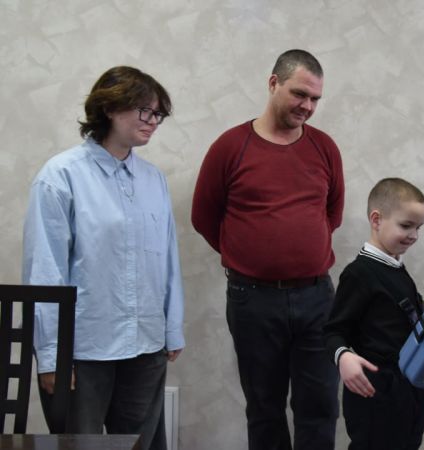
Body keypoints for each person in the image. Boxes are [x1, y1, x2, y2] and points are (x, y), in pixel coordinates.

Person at [22, 66, 184, 450]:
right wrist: (52, 356)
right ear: (109, 108)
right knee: (79, 445)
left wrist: (172, 328)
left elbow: (167, 259)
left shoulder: (153, 180)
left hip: (146, 346)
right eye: (145, 110)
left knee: (142, 445)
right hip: (83, 350)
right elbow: (45, 270)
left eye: (158, 113)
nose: (153, 121)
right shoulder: (60, 176)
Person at [191, 49, 343, 450]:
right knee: (264, 408)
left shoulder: (324, 148)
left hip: (316, 298)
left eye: (315, 99)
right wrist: (248, 254)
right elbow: (204, 216)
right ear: (273, 83)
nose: (307, 106)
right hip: (253, 300)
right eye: (299, 94)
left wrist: (299, 247)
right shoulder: (231, 147)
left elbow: (332, 213)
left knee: (320, 406)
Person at [324, 177, 424, 450]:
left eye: (418, 227)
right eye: (406, 225)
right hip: (376, 390)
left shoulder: (396, 267)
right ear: (376, 220)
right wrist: (343, 356)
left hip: (410, 387)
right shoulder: (359, 274)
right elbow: (334, 331)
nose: (414, 235)